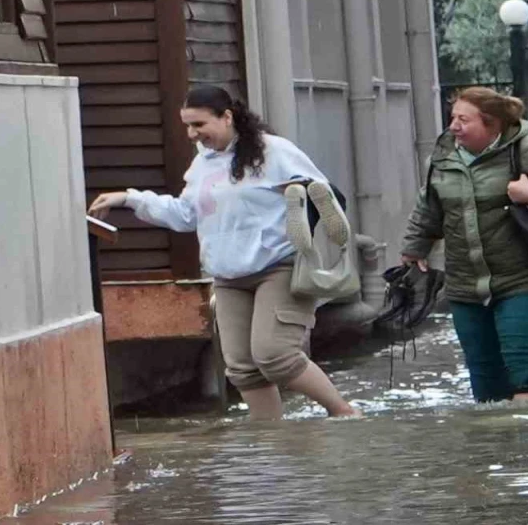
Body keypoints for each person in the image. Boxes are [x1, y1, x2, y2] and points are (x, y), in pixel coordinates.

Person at [88, 86, 360, 420]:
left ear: (227, 117)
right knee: (242, 368)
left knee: (276, 356)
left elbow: (328, 198)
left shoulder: (274, 152)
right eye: (188, 126)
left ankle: (344, 414)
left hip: (278, 266)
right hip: (229, 276)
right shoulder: (202, 164)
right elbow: (185, 215)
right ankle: (270, 443)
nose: (193, 135)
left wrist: (302, 208)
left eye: (199, 124)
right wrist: (130, 199)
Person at [401, 87, 528, 404]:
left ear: (493, 124)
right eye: (452, 118)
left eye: (464, 119)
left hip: (527, 278)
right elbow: (429, 206)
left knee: (523, 364)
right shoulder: (443, 156)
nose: (454, 126)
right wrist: (414, 247)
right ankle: (495, 450)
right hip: (465, 284)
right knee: (485, 378)